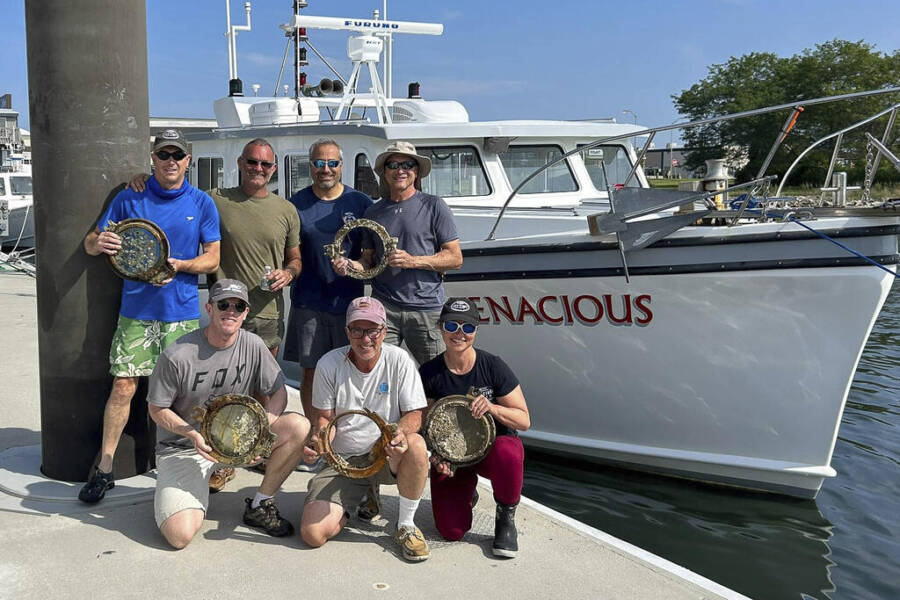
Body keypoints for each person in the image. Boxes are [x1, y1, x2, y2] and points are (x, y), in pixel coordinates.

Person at [129, 137, 302, 492]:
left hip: (267, 311)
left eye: (266, 165)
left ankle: (253, 448)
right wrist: (140, 179)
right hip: (227, 307)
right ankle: (223, 455)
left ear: (273, 169)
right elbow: (174, 185)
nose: (258, 169)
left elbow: (295, 259)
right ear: (240, 163)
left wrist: (289, 273)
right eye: (252, 162)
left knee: (262, 389)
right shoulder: (214, 199)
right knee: (223, 385)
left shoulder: (286, 209)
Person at [79, 128, 221, 504]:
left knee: (186, 395)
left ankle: (187, 462)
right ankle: (105, 469)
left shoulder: (202, 202)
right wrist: (99, 243)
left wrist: (185, 264)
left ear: (188, 160)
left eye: (177, 155)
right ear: (153, 160)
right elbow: (93, 242)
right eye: (163, 155)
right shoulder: (130, 197)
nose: (170, 161)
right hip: (137, 313)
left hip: (181, 314)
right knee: (124, 387)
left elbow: (213, 258)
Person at [147, 279, 311, 549]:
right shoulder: (178, 355)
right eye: (223, 304)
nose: (230, 311)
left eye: (238, 306)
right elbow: (157, 409)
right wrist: (189, 432)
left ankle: (260, 504)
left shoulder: (253, 344)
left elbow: (279, 391)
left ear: (246, 313)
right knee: (179, 536)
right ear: (209, 308)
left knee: (298, 426)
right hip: (186, 447)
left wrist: (261, 427)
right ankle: (181, 491)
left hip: (238, 440)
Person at [299, 296, 431, 562]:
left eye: (372, 330)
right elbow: (325, 418)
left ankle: (405, 525)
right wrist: (319, 440)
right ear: (347, 331)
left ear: (384, 331)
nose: (365, 338)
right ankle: (360, 497)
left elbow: (415, 415)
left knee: (416, 444)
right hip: (343, 460)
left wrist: (399, 433)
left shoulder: (400, 360)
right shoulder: (328, 363)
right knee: (313, 534)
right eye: (357, 330)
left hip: (385, 454)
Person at [332, 140, 462, 366]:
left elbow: (455, 258)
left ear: (416, 171)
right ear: (384, 171)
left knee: (436, 375)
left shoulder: (434, 205)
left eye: (408, 164)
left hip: (426, 308)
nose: (400, 170)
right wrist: (348, 266)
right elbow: (368, 261)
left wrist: (414, 261)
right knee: (379, 370)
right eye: (393, 165)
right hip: (385, 308)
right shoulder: (373, 211)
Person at [418, 297, 530, 558]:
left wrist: (492, 408)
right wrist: (436, 458)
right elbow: (424, 425)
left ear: (476, 331)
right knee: (451, 531)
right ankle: (468, 493)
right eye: (451, 326)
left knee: (508, 451)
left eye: (467, 328)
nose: (459, 334)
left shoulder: (492, 366)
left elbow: (524, 420)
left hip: (492, 450)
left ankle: (505, 517)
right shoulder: (429, 373)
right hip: (453, 457)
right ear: (441, 328)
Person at [284, 138, 372, 451]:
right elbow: (289, 254)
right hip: (308, 301)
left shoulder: (360, 202)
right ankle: (315, 438)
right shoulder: (295, 204)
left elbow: (371, 259)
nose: (326, 169)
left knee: (350, 371)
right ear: (310, 166)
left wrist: (354, 265)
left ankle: (346, 437)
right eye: (319, 163)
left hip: (349, 305)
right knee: (312, 371)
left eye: (332, 163)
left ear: (341, 166)